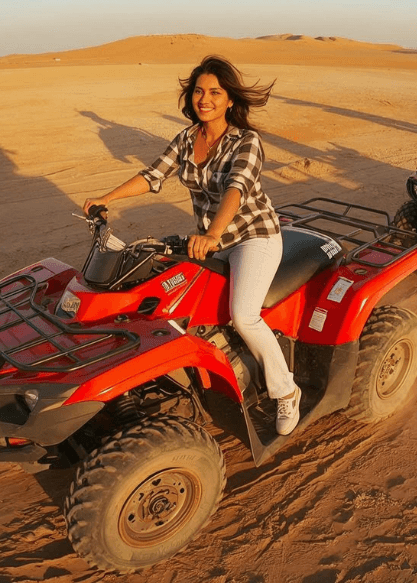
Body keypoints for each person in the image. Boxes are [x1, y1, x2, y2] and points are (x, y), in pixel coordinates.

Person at [83, 55, 301, 435]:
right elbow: (153, 175)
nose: (205, 99)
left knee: (244, 314)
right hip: (209, 242)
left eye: (215, 92)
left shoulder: (246, 142)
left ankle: (285, 392)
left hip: (253, 238)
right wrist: (106, 198)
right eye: (199, 91)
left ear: (230, 100)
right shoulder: (187, 138)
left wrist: (214, 235)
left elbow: (235, 191)